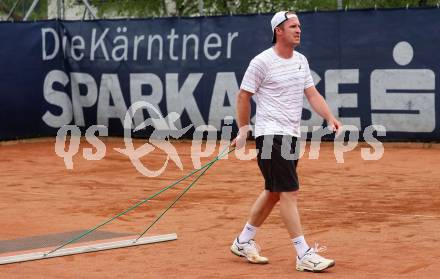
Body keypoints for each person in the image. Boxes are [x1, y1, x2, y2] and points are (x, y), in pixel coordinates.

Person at [230, 11, 341, 272]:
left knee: (274, 192)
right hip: (270, 135)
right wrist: (244, 130)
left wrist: (329, 116)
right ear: (278, 31)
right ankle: (303, 254)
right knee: (289, 192)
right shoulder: (262, 62)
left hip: (291, 136)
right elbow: (243, 96)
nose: (298, 30)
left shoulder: (301, 61)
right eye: (293, 26)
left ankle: (243, 240)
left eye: (299, 26)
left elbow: (311, 94)